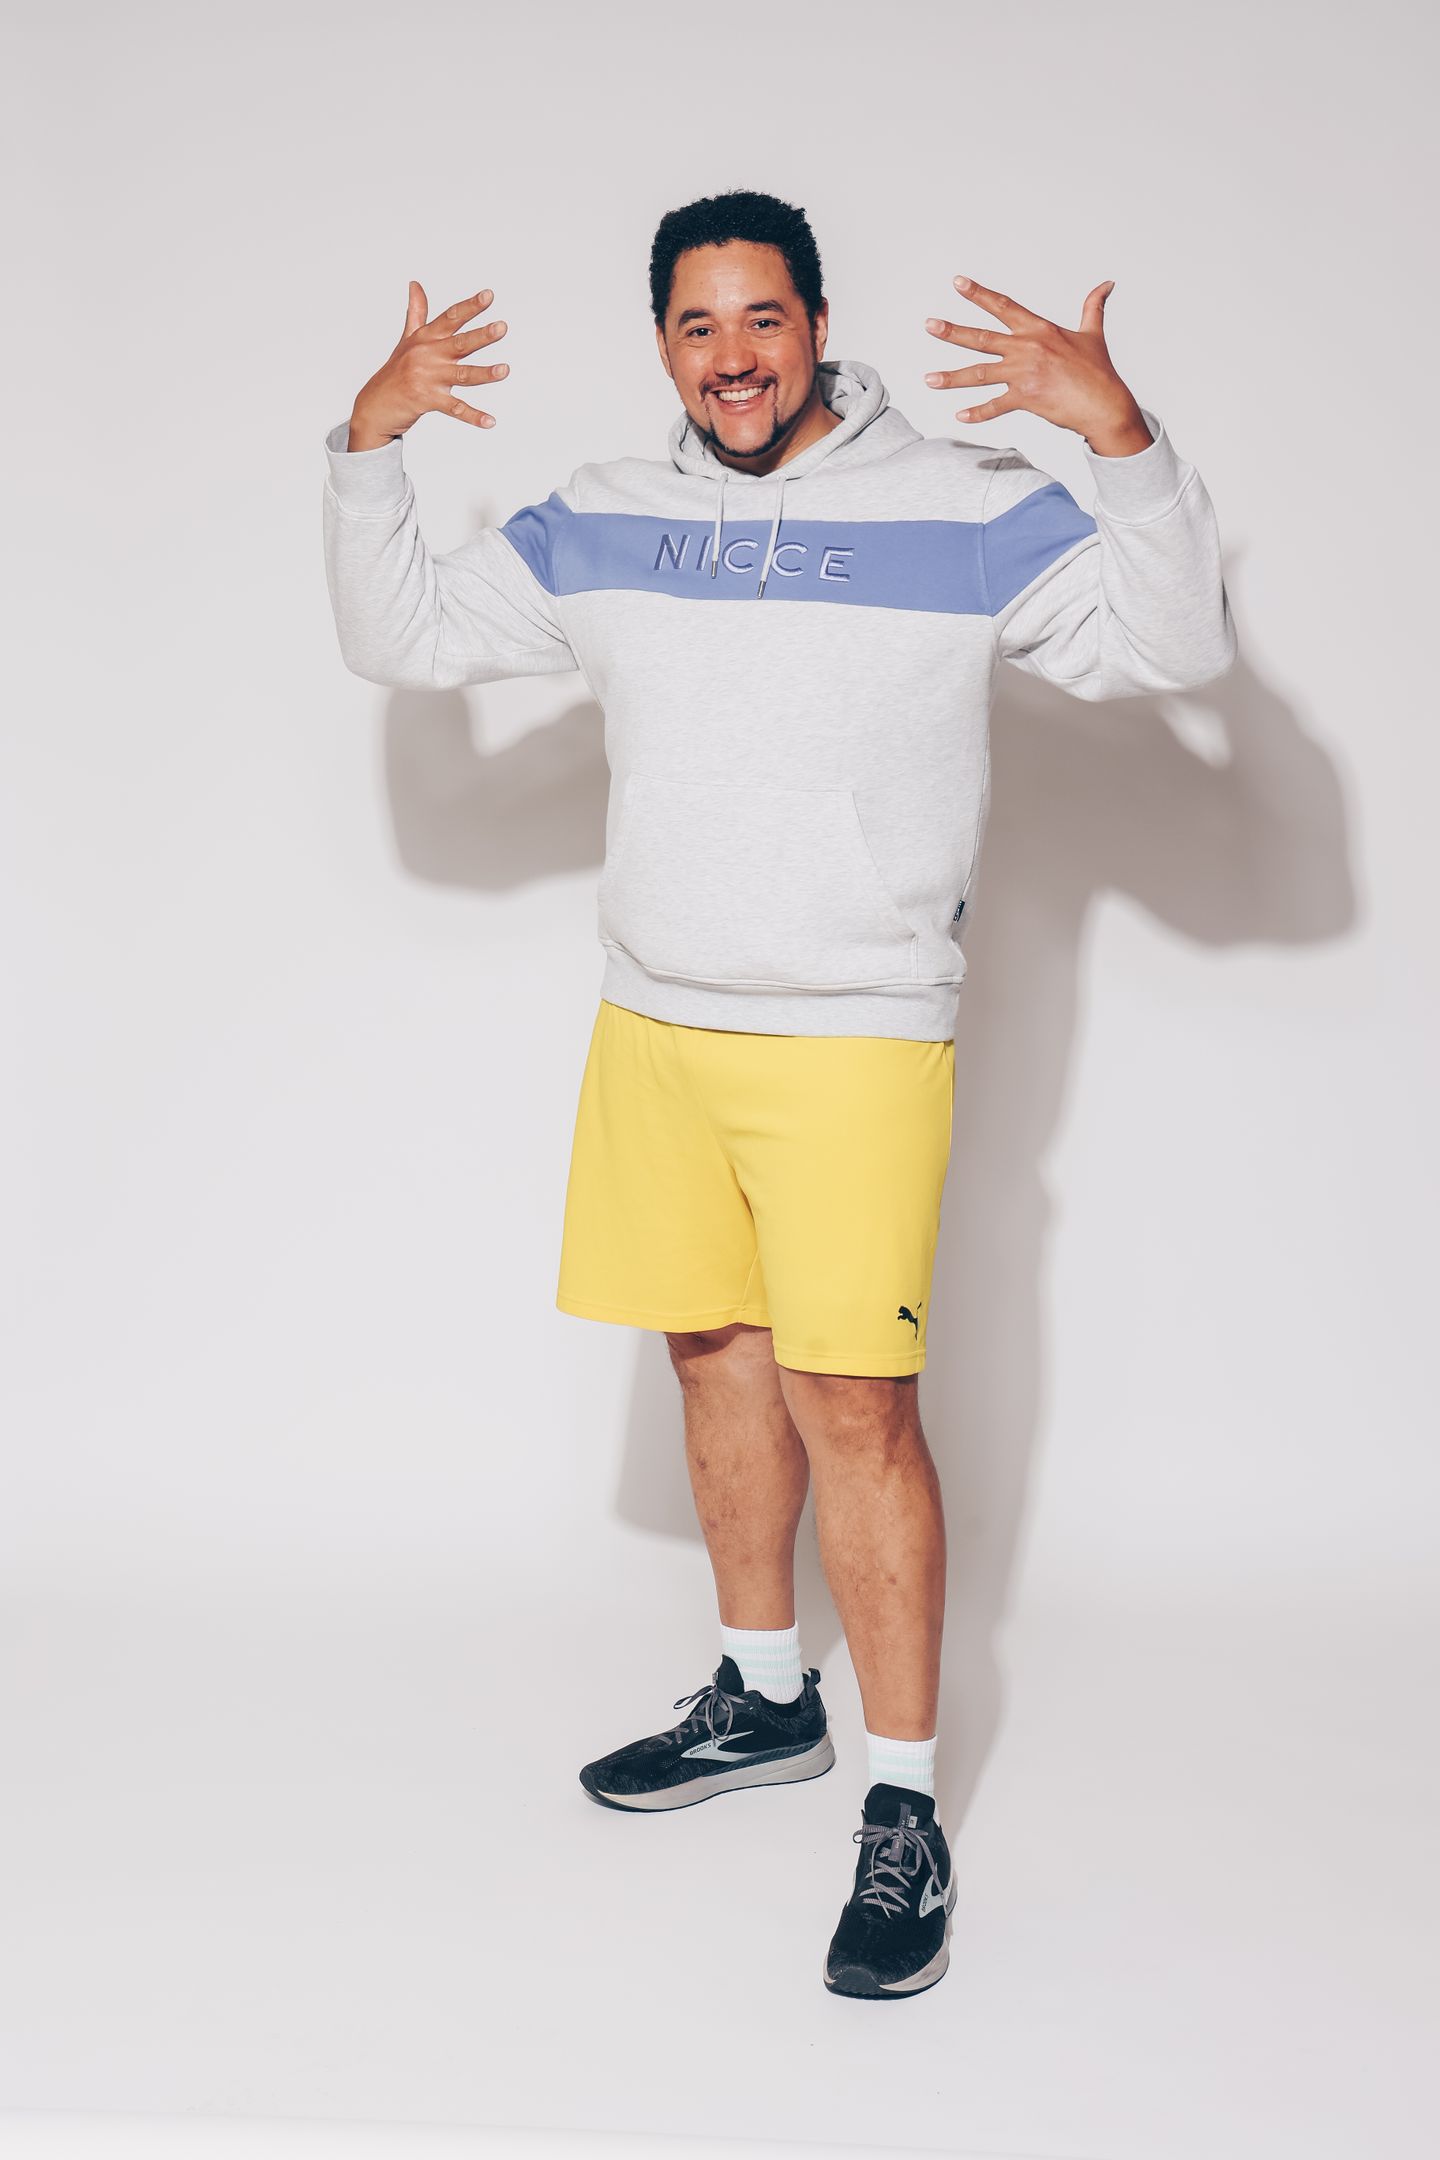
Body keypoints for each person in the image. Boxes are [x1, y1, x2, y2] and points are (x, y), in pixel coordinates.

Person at [321, 188, 1236, 2000]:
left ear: (817, 323)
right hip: (656, 1020)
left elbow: (1177, 645)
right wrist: (370, 448)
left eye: (762, 319)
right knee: (713, 1358)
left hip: (856, 1033)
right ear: (663, 344)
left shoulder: (966, 501)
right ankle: (762, 1697)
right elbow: (402, 636)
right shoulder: (605, 515)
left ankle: (903, 1802)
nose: (732, 358)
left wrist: (1122, 443)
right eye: (696, 325)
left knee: (854, 1406)